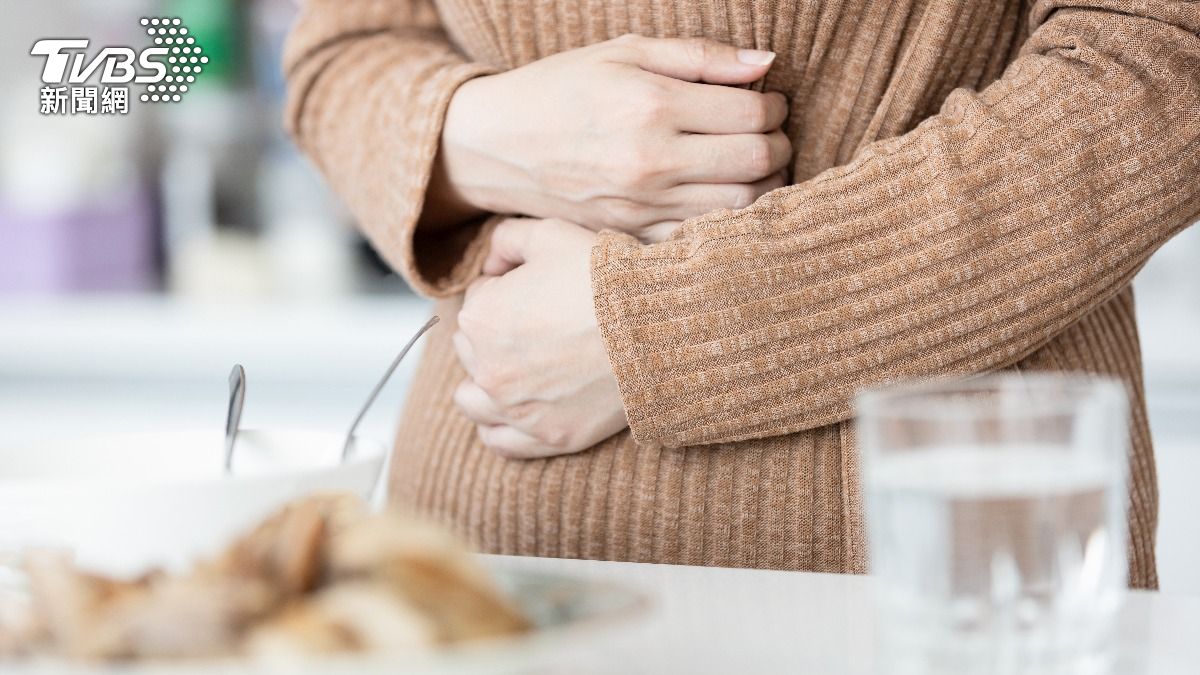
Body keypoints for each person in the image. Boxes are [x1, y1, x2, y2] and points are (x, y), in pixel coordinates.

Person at [284, 0, 1200, 589]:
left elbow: (1160, 64)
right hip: (476, 560)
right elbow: (342, 50)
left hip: (938, 565)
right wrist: (471, 130)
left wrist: (663, 329)